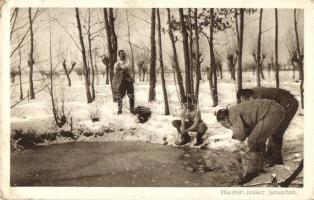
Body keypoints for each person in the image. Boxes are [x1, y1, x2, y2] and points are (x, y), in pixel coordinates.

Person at [216, 99, 285, 184]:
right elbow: (247, 129)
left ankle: (252, 172)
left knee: (253, 141)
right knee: (258, 140)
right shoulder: (233, 111)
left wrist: (231, 130)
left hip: (271, 112)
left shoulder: (232, 115)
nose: (224, 124)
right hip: (273, 110)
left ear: (224, 118)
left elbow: (241, 136)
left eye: (223, 123)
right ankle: (259, 168)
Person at [237, 87, 299, 166]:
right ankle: (269, 155)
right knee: (270, 129)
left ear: (243, 97)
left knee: (276, 131)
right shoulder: (252, 95)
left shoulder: (258, 98)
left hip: (289, 104)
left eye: (244, 101)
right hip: (281, 104)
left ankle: (277, 160)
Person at [112, 50, 135, 114]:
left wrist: (122, 69)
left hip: (129, 81)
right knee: (119, 96)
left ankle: (132, 109)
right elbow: (115, 72)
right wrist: (122, 70)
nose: (123, 55)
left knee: (131, 95)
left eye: (124, 54)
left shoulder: (128, 62)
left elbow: (130, 70)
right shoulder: (117, 63)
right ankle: (119, 110)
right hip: (121, 82)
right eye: (122, 54)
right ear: (119, 55)